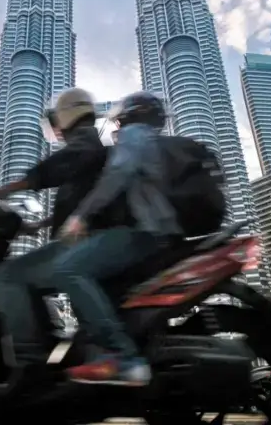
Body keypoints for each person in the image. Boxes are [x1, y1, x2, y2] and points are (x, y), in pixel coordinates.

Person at [51, 91, 227, 386]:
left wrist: (81, 216)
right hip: (167, 236)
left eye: (121, 118)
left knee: (69, 268)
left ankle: (122, 357)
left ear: (131, 115)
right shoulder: (156, 143)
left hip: (148, 236)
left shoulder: (135, 136)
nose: (118, 124)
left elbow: (117, 174)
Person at [0, 87, 110, 396]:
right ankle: (52, 353)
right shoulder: (93, 150)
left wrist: (3, 191)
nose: (58, 130)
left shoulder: (85, 141)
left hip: (86, 247)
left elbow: (61, 165)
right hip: (89, 242)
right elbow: (82, 200)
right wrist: (36, 225)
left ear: (67, 114)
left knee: (6, 276)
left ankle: (29, 365)